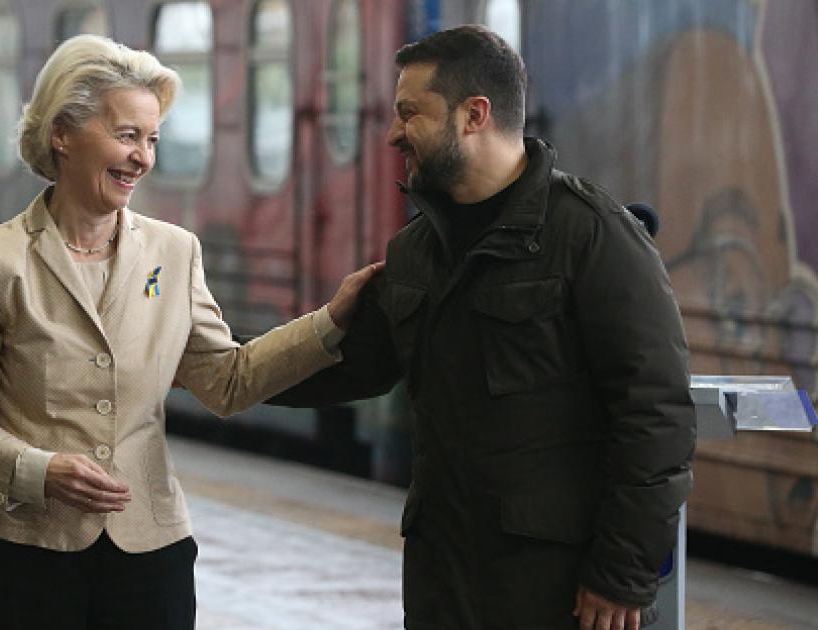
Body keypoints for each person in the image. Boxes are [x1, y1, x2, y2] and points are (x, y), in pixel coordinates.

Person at [0, 34, 378, 630]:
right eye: (127, 135)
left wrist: (330, 322)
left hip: (150, 553)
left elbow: (226, 380)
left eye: (153, 139)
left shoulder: (175, 251)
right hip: (21, 554)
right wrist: (40, 470)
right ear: (63, 133)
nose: (143, 156)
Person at [269, 25, 696, 630]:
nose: (392, 134)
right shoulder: (417, 251)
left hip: (560, 591)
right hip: (444, 585)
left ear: (474, 115)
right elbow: (346, 367)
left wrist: (621, 575)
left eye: (409, 114)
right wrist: (197, 359)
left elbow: (655, 415)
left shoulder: (591, 235)